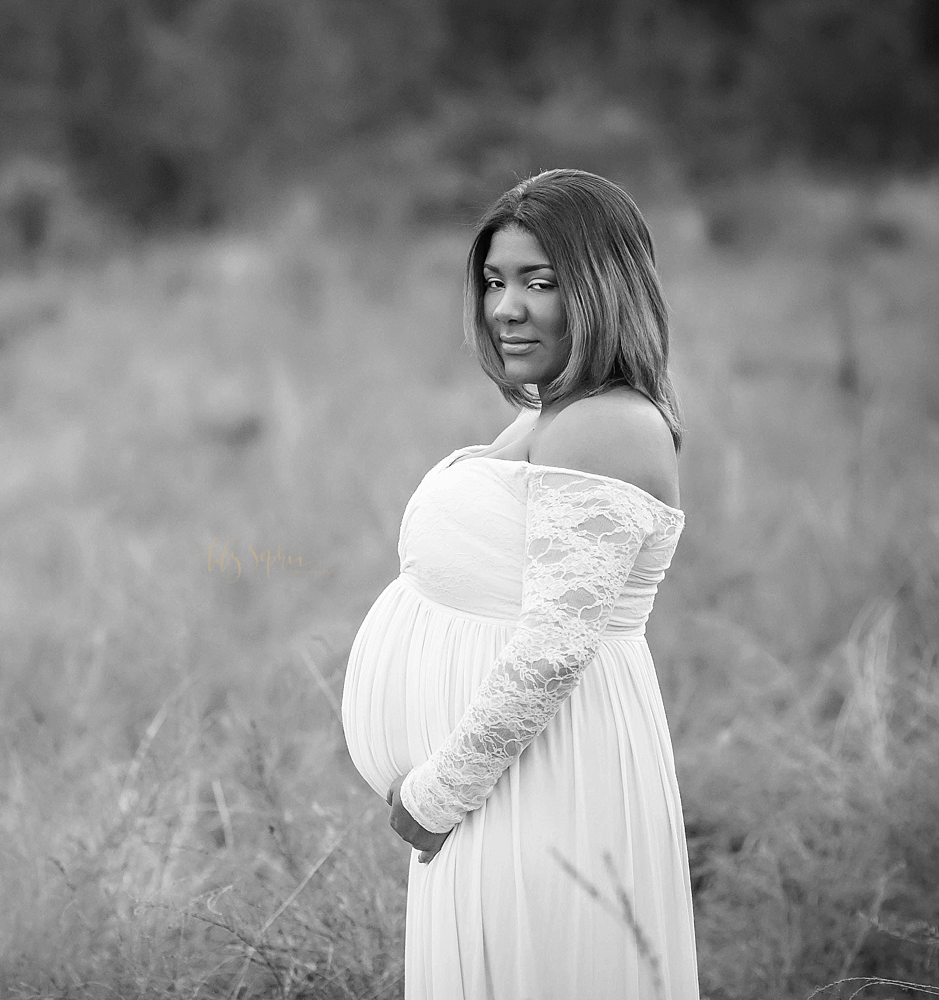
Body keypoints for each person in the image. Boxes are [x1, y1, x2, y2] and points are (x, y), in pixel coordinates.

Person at [340, 168, 700, 999]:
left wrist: (436, 794)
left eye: (542, 282)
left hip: (546, 780)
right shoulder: (556, 411)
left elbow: (553, 650)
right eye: (496, 281)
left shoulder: (607, 423)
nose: (507, 308)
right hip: (504, 789)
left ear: (606, 288)